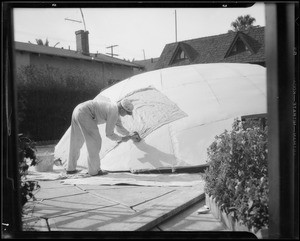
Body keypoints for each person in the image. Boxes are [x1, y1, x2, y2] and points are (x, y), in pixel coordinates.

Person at [66, 98, 141, 176]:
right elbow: (109, 134)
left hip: (78, 109)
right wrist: (123, 139)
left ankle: (70, 169)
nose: (126, 115)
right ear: (122, 109)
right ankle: (94, 171)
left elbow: (119, 127)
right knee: (95, 142)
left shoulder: (113, 108)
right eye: (127, 113)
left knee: (76, 141)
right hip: (85, 113)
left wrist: (130, 134)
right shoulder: (114, 112)